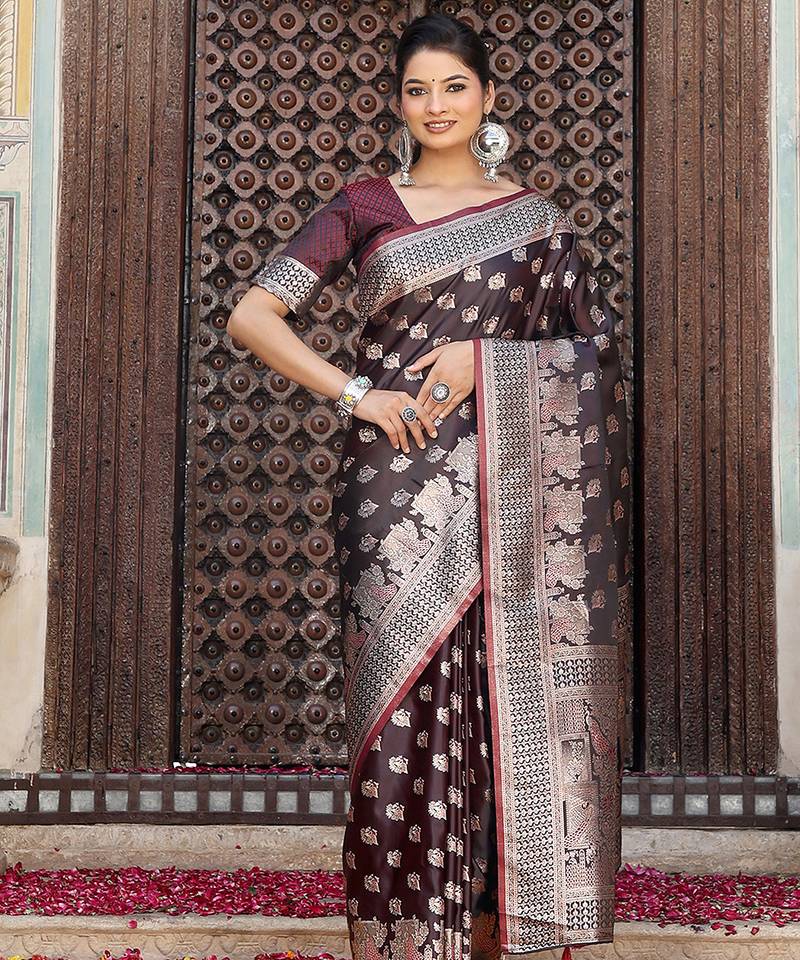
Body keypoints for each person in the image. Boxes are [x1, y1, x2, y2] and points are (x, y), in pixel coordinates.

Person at [228, 12, 631, 960]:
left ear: (487, 97)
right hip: (391, 485)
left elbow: (598, 354)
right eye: (418, 90)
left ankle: (498, 928)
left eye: (454, 86)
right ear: (399, 104)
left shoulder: (538, 222)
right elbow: (254, 315)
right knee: (399, 712)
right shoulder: (366, 206)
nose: (436, 105)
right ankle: (407, 940)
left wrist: (482, 359)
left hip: (512, 490)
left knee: (498, 697)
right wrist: (358, 394)